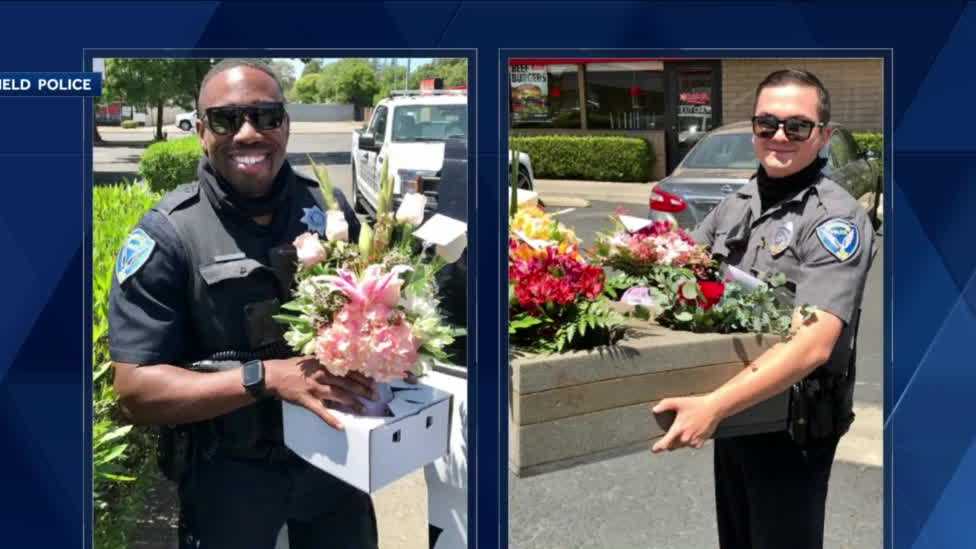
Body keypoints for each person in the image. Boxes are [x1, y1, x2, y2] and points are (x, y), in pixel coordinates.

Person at [109, 59, 379, 549]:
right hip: (228, 483)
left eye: (267, 116)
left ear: (286, 126)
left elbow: (368, 320)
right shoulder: (168, 235)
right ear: (200, 131)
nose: (249, 133)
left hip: (336, 465)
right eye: (226, 119)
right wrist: (267, 378)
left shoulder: (330, 211)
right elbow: (134, 390)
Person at [651, 69, 875, 549]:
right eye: (766, 124)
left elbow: (813, 344)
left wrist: (712, 407)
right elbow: (678, 266)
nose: (779, 136)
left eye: (797, 126)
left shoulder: (835, 219)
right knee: (737, 537)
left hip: (793, 423)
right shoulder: (740, 202)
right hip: (740, 405)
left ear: (823, 137)